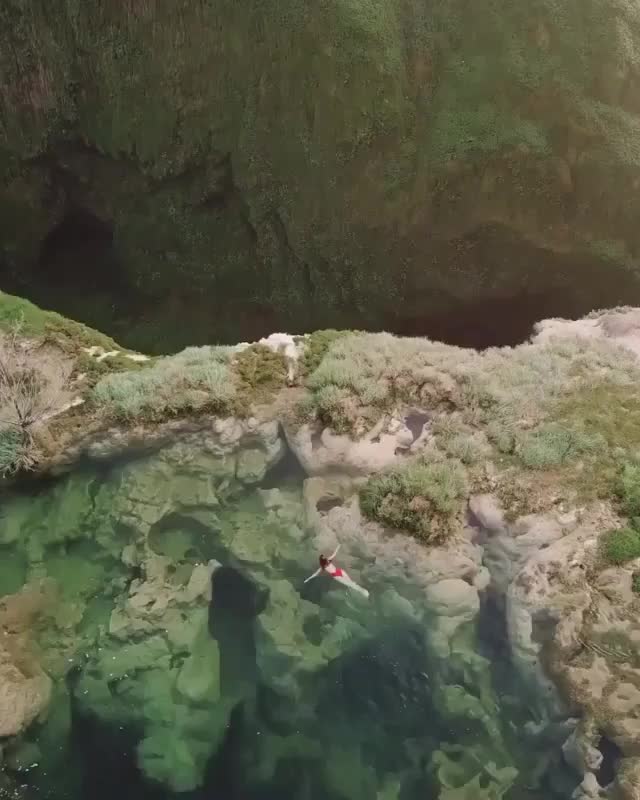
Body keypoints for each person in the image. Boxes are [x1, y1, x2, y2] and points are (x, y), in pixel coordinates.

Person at [303, 544, 369, 598]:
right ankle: (362, 592)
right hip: (338, 573)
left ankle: (362, 591)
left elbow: (334, 554)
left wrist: (338, 546)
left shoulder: (324, 564)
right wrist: (308, 579)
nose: (325, 558)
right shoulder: (324, 564)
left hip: (337, 573)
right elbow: (315, 574)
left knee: (350, 583)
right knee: (350, 582)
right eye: (324, 558)